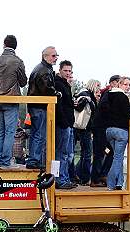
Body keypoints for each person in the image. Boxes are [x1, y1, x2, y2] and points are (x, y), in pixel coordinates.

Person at [0, 34, 27, 168]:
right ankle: (5, 161)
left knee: (1, 131)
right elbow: (23, 82)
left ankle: (0, 159)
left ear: (4, 44)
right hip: (11, 100)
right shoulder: (17, 61)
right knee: (9, 132)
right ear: (15, 46)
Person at [26, 46, 59, 169]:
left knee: (37, 133)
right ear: (45, 56)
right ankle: (33, 160)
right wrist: (57, 93)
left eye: (56, 56)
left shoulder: (42, 68)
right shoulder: (44, 70)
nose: (55, 58)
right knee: (39, 134)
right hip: (39, 106)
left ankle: (34, 159)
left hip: (37, 105)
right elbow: (47, 89)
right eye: (53, 56)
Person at [104, 76, 130, 190]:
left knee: (116, 157)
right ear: (119, 84)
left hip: (109, 130)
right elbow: (127, 113)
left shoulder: (108, 95)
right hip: (120, 131)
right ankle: (111, 184)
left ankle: (119, 182)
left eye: (129, 85)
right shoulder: (122, 96)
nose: (127, 87)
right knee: (118, 158)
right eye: (125, 84)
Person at [90, 75, 120, 187]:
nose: (121, 85)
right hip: (100, 127)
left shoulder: (109, 94)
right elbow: (104, 108)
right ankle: (96, 179)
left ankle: (102, 174)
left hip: (103, 127)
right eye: (120, 83)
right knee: (100, 153)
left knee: (109, 151)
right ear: (112, 83)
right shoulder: (108, 93)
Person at [54, 60, 77, 189]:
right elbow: (59, 106)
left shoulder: (65, 84)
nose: (68, 73)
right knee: (60, 153)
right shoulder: (58, 84)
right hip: (62, 124)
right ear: (60, 70)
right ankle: (59, 179)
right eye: (66, 71)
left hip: (68, 123)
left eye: (70, 71)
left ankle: (65, 177)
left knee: (67, 154)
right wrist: (64, 122)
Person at [74, 79, 100, 185]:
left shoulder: (88, 95)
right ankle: (84, 177)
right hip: (83, 127)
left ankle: (79, 175)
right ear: (93, 85)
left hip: (83, 127)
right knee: (86, 153)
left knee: (84, 153)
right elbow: (79, 107)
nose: (99, 88)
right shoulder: (86, 95)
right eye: (98, 85)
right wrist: (88, 100)